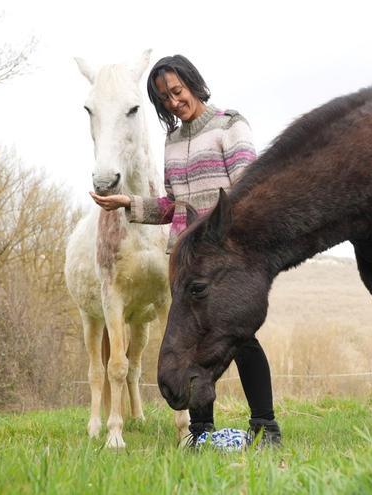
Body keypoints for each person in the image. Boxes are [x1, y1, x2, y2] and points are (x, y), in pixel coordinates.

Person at [90, 54, 281, 447]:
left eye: (177, 91)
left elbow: (250, 194)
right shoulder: (172, 142)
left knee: (244, 341)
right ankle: (200, 433)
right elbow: (171, 206)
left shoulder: (231, 125)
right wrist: (128, 204)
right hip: (185, 265)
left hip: (227, 263)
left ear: (193, 83)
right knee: (187, 349)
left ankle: (266, 428)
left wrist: (227, 244)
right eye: (164, 98)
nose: (173, 102)